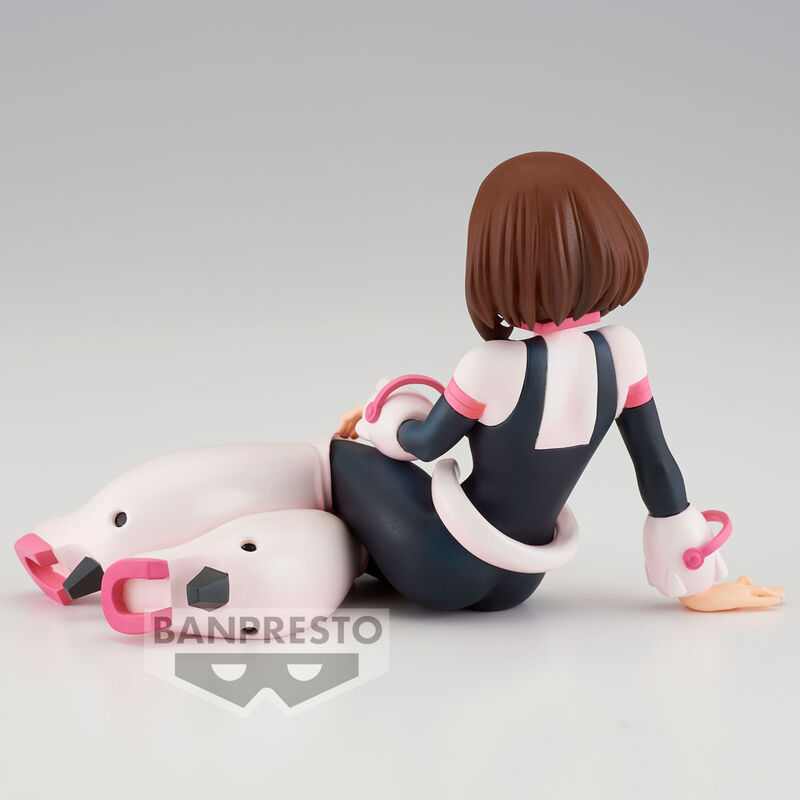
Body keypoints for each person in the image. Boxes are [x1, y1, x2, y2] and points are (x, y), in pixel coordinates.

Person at [330, 152, 783, 613]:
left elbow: (423, 444)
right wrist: (696, 582)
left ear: (495, 262)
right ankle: (351, 556)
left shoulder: (490, 364)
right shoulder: (622, 354)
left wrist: (379, 415)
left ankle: (313, 557)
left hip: (444, 563)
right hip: (521, 580)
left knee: (339, 457)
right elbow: (657, 466)